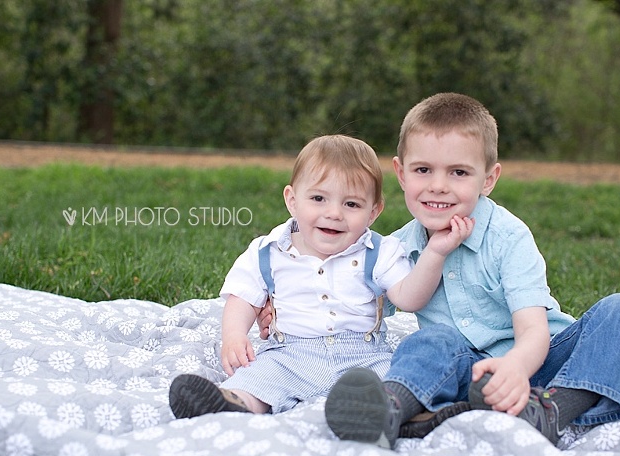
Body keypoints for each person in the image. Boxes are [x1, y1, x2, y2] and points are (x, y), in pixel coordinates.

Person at [323, 93, 620, 449]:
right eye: (423, 170)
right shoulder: (396, 248)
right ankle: (389, 409)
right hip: (466, 371)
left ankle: (551, 410)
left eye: (459, 172)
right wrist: (272, 302)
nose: (438, 186)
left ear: (489, 179)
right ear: (401, 174)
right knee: (430, 341)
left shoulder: (508, 238)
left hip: (544, 363)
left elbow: (533, 330)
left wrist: (516, 367)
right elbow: (341, 286)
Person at [169, 134, 472, 424]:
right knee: (259, 379)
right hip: (289, 354)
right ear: (292, 200)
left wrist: (435, 253)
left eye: (351, 204)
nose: (334, 213)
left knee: (394, 382)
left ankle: (401, 415)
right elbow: (243, 297)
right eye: (318, 198)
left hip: (363, 357)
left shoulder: (379, 251)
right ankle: (234, 404)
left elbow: (410, 298)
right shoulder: (269, 250)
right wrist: (234, 335)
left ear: (373, 211)